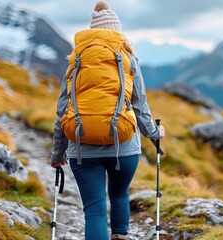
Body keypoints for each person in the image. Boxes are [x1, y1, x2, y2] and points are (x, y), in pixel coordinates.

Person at [50, 1, 165, 240]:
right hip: (123, 146)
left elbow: (62, 110)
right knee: (120, 195)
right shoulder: (127, 58)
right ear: (117, 32)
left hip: (82, 147)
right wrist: (154, 132)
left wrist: (57, 155)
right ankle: (120, 236)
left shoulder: (76, 60)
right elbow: (139, 104)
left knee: (94, 212)